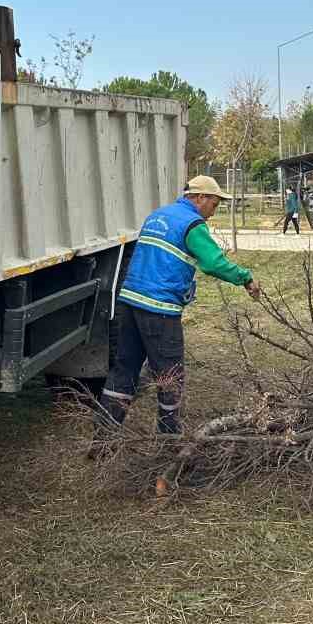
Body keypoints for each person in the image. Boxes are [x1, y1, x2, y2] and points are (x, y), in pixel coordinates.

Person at [100, 175, 262, 437]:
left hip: (129, 304)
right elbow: (213, 263)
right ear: (200, 198)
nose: (214, 211)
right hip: (159, 310)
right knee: (170, 377)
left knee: (124, 370)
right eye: (215, 204)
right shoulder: (192, 224)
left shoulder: (158, 215)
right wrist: (245, 277)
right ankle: (169, 441)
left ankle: (103, 437)